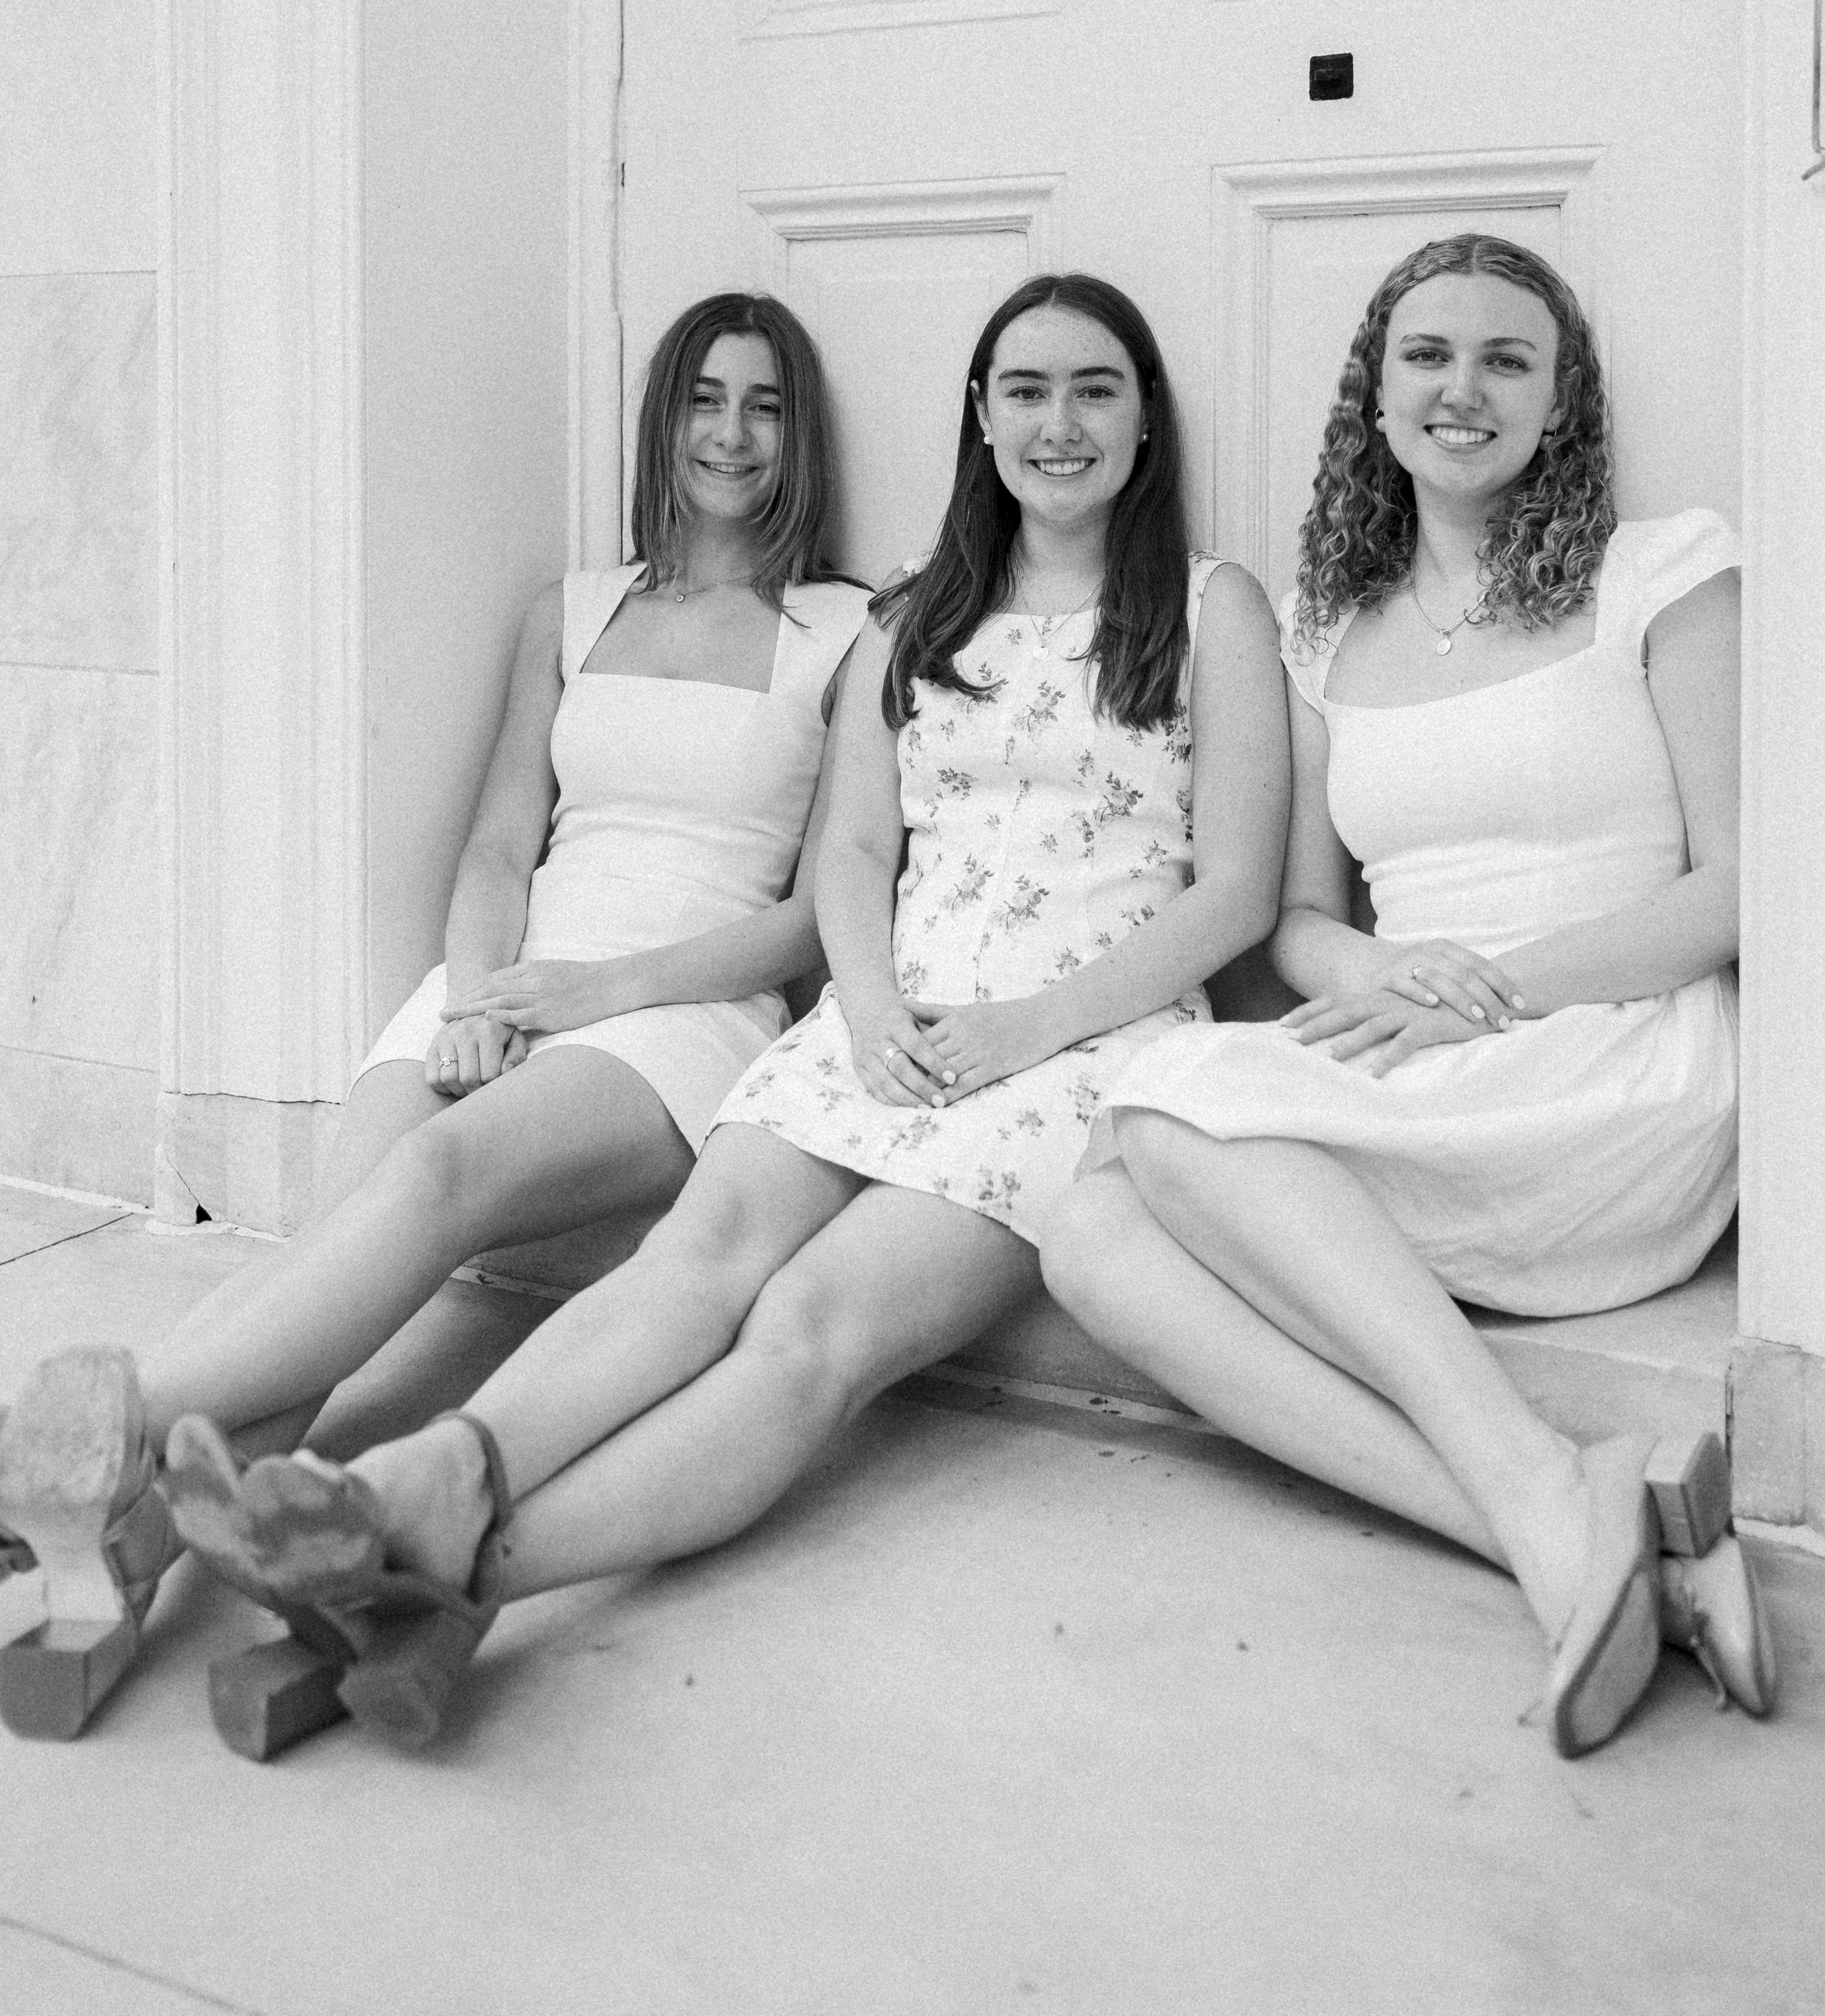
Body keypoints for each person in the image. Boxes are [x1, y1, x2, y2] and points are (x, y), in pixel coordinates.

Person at [158, 272, 1291, 1754]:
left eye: (1094, 390)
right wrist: (871, 1002)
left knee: (807, 1329)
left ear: (1146, 422)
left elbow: (1238, 895)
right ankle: (443, 1469)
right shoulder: (917, 617)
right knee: (698, 1258)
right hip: (884, 1025)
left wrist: (1034, 1026)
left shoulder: (1209, 607)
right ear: (979, 417)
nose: (1056, 423)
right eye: (1023, 390)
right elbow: (855, 857)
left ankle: (461, 1563)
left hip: (1083, 1046)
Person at [0, 291, 867, 1743]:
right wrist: (474, 1002)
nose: (731, 433)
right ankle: (131, 1563)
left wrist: (586, 996)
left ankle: (108, 1412)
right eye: (705, 399)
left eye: (764, 405)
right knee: (336, 1256)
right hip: (512, 972)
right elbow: (492, 846)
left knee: (431, 1182)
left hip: (678, 1008)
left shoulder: (844, 633)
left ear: (800, 433)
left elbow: (809, 917)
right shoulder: (573, 609)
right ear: (662, 417)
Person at [1038, 234, 1769, 1758]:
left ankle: (1535, 1496)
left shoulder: (1663, 572)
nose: (1461, 387)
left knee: (1160, 1130)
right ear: (1370, 397)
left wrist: (1491, 987)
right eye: (1425, 355)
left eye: (1507, 358)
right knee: (1087, 1236)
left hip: (1608, 1047)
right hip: (1412, 1041)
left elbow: (1740, 889)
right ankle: (1548, 1509)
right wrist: (1374, 972)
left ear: (1561, 403)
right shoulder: (1328, 630)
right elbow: (1299, 921)